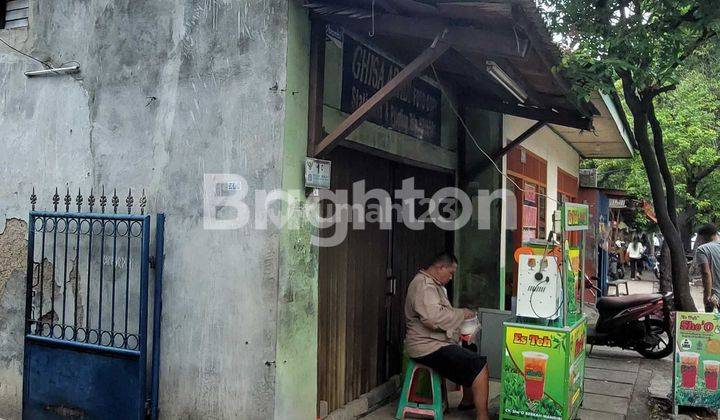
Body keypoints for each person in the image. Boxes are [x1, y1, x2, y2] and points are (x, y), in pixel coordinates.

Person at [404, 253, 489, 420]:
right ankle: (483, 416)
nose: (451, 277)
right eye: (450, 273)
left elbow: (442, 313)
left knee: (470, 347)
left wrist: (459, 325)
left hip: (435, 342)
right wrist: (460, 314)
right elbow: (432, 318)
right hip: (426, 346)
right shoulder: (424, 286)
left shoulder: (434, 285)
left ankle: (468, 400)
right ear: (440, 267)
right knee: (480, 366)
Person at [695, 223, 720, 312]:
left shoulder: (702, 249)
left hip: (716, 296)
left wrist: (707, 297)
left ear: (705, 236)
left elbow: (706, 273)